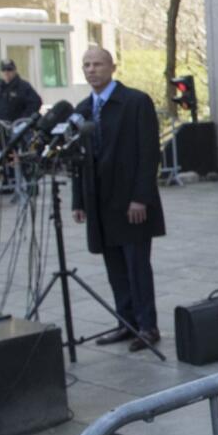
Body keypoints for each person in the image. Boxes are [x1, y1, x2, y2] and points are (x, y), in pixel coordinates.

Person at [70, 47, 165, 352]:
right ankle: (126, 323)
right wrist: (79, 201)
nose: (91, 69)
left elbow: (149, 153)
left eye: (97, 64)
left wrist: (141, 197)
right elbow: (78, 160)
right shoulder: (83, 109)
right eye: (86, 65)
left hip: (131, 204)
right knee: (115, 268)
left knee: (137, 267)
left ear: (112, 66)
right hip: (100, 204)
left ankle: (147, 326)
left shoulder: (135, 102)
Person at [0, 58, 42, 122]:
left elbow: (36, 102)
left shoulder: (23, 86)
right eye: (3, 69)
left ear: (14, 70)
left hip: (15, 128)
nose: (6, 72)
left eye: (9, 69)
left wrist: (22, 120)